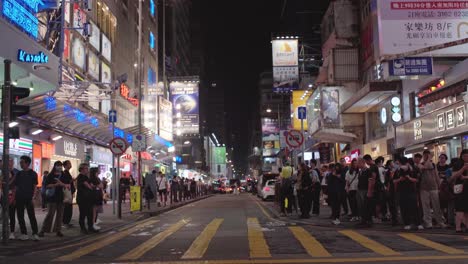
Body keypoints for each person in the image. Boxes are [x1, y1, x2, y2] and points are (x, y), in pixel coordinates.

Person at [416, 150, 446, 229]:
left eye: (428, 155)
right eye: (425, 155)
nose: (427, 156)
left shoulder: (433, 164)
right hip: (423, 188)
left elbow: (436, 175)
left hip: (433, 187)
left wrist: (439, 185)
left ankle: (440, 222)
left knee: (437, 205)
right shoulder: (420, 164)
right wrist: (428, 159)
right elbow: (424, 167)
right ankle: (428, 223)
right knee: (426, 206)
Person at [39, 161, 68, 237]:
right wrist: (56, 184)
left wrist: (61, 184)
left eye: (60, 166)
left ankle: (58, 230)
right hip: (52, 198)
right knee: (50, 214)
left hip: (61, 198)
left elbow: (67, 185)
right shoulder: (50, 175)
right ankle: (43, 230)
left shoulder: (63, 175)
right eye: (58, 165)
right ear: (55, 166)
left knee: (60, 215)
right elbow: (47, 186)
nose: (59, 167)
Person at [15, 156, 40, 241]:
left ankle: (35, 233)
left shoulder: (33, 173)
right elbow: (16, 186)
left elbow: (35, 186)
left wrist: (34, 197)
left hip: (29, 198)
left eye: (22, 162)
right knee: (20, 216)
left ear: (27, 163)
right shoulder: (19, 173)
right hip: (19, 197)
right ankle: (24, 233)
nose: (20, 164)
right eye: (20, 162)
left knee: (31, 216)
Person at [394, 157, 422, 230]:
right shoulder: (398, 170)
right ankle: (407, 223)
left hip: (411, 190)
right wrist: (400, 179)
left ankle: (418, 223)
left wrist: (409, 178)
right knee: (404, 208)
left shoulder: (412, 169)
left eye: (399, 162)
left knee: (414, 207)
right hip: (401, 191)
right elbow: (394, 181)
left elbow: (417, 180)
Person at [76, 163, 98, 234]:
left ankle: (90, 227)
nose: (87, 170)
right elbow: (89, 186)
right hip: (82, 199)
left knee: (90, 214)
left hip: (88, 198)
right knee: (82, 214)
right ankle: (83, 228)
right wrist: (93, 187)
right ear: (82, 169)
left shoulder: (86, 177)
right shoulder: (80, 177)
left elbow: (92, 185)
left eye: (87, 168)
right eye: (86, 168)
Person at [450, 150, 468, 233]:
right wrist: (463, 168)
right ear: (461, 156)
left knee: (466, 209)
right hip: (460, 188)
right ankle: (458, 227)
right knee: (460, 208)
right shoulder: (458, 164)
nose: (466, 157)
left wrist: (465, 177)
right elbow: (453, 176)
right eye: (464, 156)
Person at [356, 156, 377, 228]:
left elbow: (371, 181)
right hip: (360, 190)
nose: (357, 164)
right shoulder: (360, 171)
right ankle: (363, 220)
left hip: (365, 190)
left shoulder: (368, 171)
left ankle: (369, 220)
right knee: (361, 206)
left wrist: (369, 191)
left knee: (367, 206)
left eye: (358, 162)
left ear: (362, 162)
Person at [61, 160, 75, 228]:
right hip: (67, 192)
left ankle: (67, 222)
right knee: (67, 208)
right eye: (69, 163)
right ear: (65, 165)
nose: (70, 164)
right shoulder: (64, 173)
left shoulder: (67, 172)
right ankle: (65, 222)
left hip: (69, 192)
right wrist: (72, 180)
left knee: (69, 207)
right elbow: (66, 182)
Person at [7, 159, 18, 240]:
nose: (9, 164)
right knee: (4, 216)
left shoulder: (16, 172)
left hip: (12, 197)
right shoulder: (2, 172)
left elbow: (17, 186)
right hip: (3, 197)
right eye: (8, 162)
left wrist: (14, 198)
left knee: (12, 215)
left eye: (11, 162)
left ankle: (12, 232)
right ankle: (5, 232)